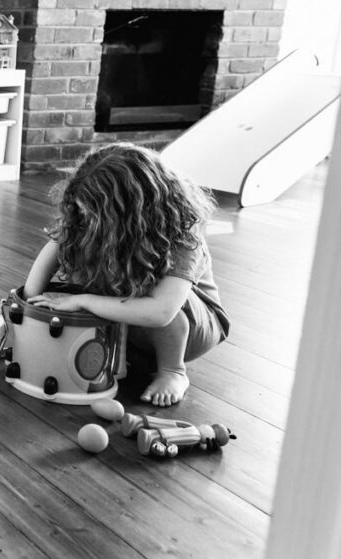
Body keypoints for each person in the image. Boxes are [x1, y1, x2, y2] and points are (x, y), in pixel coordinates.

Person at [23, 143, 230, 407]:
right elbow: (40, 277)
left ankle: (172, 371)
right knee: (70, 288)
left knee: (140, 292)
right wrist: (31, 307)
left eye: (94, 215)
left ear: (131, 214)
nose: (85, 218)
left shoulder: (184, 237)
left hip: (190, 329)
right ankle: (119, 350)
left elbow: (162, 312)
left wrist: (84, 301)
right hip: (135, 324)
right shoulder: (89, 220)